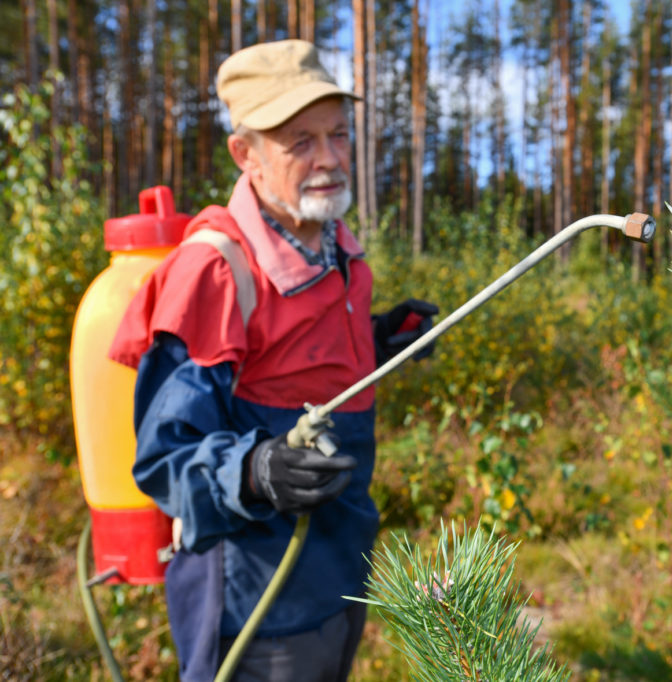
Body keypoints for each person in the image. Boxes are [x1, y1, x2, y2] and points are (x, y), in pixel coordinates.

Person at [109, 39, 438, 681]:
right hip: (256, 598)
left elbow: (293, 363)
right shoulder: (216, 272)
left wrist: (376, 341)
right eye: (300, 142)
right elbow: (163, 456)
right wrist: (254, 470)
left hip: (341, 567)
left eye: (338, 135)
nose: (329, 159)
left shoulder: (335, 248)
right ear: (246, 154)